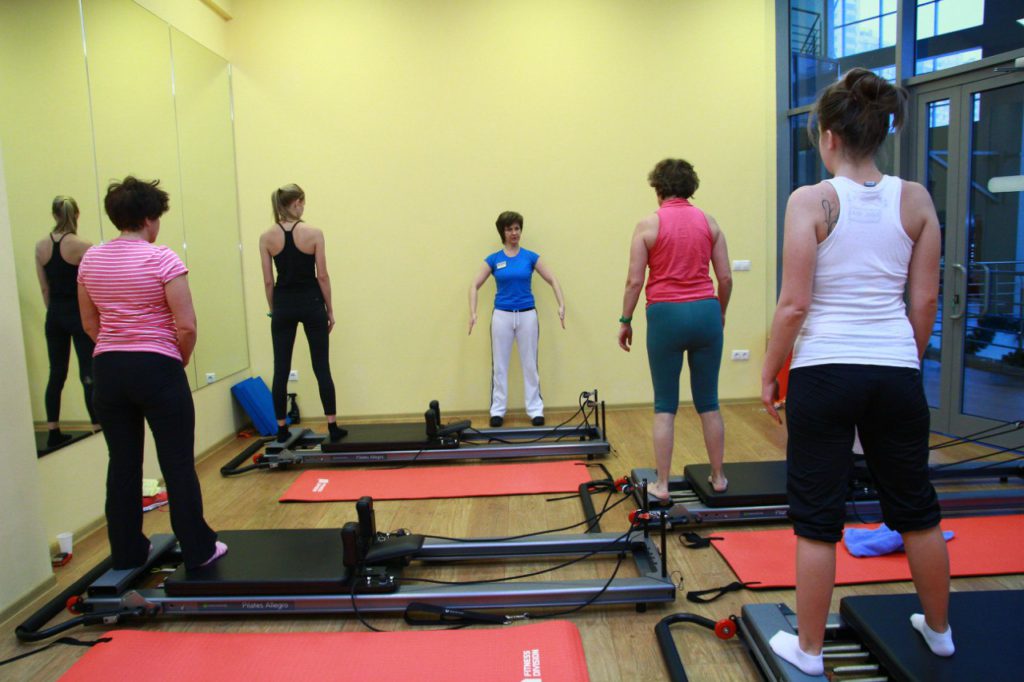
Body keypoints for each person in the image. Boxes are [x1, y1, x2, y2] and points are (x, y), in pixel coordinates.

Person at [760, 68, 951, 676]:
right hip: (894, 369)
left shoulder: (810, 200)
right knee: (916, 506)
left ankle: (810, 651)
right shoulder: (915, 199)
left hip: (824, 371)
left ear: (829, 137)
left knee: (818, 520)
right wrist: (903, 358)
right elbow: (925, 301)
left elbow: (794, 304)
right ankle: (940, 632)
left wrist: (770, 371)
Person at [78, 176, 225, 571]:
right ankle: (199, 549)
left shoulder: (91, 259)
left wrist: (118, 347)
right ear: (147, 218)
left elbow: (89, 324)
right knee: (177, 463)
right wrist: (178, 358)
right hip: (157, 366)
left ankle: (127, 552)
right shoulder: (162, 258)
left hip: (108, 369)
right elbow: (186, 326)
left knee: (122, 463)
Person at [618, 159, 732, 502]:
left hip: (665, 316)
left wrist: (625, 321)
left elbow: (635, 281)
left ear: (658, 189)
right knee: (709, 401)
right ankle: (719, 477)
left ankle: (663, 485)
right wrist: (720, 312)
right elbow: (725, 278)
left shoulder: (647, 225)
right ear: (690, 188)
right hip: (706, 312)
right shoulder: (709, 222)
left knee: (665, 404)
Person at [259, 184, 346, 442]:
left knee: (281, 369)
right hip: (311, 303)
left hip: (283, 305)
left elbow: (268, 281)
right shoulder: (314, 233)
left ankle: (281, 429)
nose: (304, 207)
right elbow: (323, 275)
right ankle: (332, 426)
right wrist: (330, 309)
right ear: (296, 203)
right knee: (321, 366)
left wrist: (274, 310)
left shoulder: (266, 237)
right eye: (302, 202)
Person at [469, 211, 565, 427]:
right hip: (502, 316)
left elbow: (553, 279)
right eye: (509, 229)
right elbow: (474, 285)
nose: (514, 233)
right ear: (502, 232)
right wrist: (473, 312)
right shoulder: (494, 259)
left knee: (530, 364)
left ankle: (535, 410)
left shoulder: (530, 257)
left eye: (517, 228)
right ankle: (497, 411)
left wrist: (561, 304)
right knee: (500, 366)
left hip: (527, 315)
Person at [34, 195, 99, 447]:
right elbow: (92, 287)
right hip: (78, 314)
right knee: (88, 372)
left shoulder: (40, 247)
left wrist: (54, 312)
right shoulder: (83, 246)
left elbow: (44, 289)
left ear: (54, 215)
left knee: (56, 373)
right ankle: (97, 425)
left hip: (55, 315)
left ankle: (53, 429)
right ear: (77, 215)